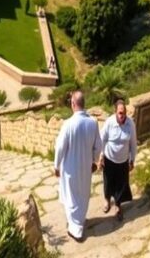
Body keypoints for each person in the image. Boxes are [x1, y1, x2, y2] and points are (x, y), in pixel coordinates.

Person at [54, 90, 102, 242]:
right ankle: (79, 222)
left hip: (70, 168)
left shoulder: (68, 124)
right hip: (86, 168)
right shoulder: (93, 123)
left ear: (73, 104)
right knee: (82, 196)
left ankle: (76, 229)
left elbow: (60, 147)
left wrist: (56, 166)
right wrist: (95, 161)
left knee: (71, 197)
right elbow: (98, 146)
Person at [99, 100, 136, 222]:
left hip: (123, 160)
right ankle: (107, 200)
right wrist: (101, 155)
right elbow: (102, 139)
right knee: (108, 181)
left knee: (121, 184)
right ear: (115, 112)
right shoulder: (109, 122)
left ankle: (118, 205)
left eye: (124, 113)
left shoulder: (130, 124)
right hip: (109, 159)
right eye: (120, 113)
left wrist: (132, 160)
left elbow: (133, 143)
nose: (122, 115)